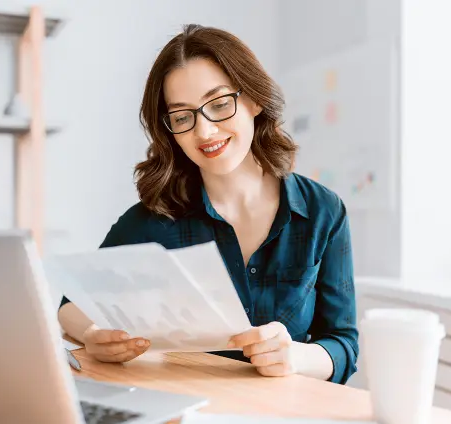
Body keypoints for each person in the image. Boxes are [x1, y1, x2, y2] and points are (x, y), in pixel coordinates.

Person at [57, 24, 358, 385]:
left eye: (219, 104)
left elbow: (343, 343)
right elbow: (71, 303)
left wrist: (295, 356)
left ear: (254, 100)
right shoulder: (154, 218)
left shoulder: (322, 212)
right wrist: (92, 334)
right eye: (183, 116)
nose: (205, 132)